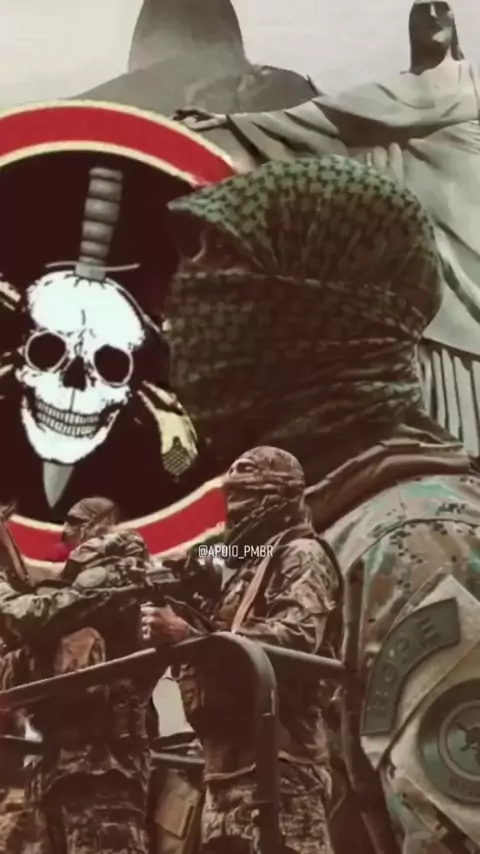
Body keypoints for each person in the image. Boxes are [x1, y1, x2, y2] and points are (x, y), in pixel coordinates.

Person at [160, 156, 480, 852]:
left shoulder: (413, 545)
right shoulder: (312, 525)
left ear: (309, 318)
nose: (180, 313)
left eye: (225, 277)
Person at [177, 0, 480, 458]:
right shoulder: (397, 93)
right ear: (413, 28)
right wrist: (228, 122)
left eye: (443, 8)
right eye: (425, 10)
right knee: (435, 335)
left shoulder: (471, 83)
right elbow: (318, 120)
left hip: (470, 226)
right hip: (436, 247)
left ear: (454, 24)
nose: (435, 16)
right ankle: (454, 447)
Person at [142, 445, 338, 854]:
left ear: (278, 497)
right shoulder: (250, 563)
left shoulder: (301, 553)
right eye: (232, 496)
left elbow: (296, 636)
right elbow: (229, 634)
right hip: (223, 769)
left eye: (246, 496)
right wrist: (187, 605)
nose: (234, 509)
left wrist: (189, 637)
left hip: (279, 764)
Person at [0, 496, 158, 853]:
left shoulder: (121, 569)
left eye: (74, 522)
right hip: (57, 764)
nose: (65, 532)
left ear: (99, 524)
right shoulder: (70, 586)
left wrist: (4, 595)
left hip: (104, 766)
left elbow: (41, 616)